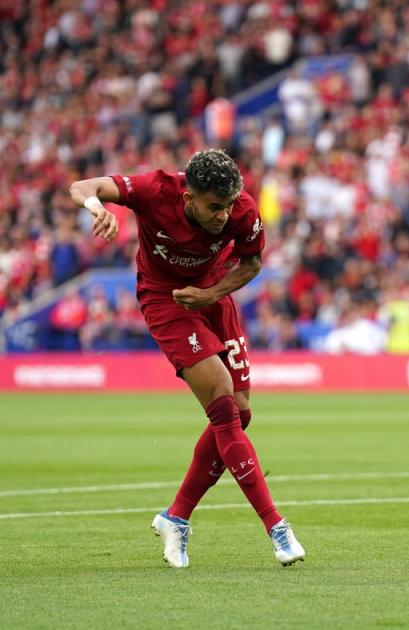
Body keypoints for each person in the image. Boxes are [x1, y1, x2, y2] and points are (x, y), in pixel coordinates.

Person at [68, 149, 304, 569]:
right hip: (167, 299)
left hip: (212, 292)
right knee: (222, 400)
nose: (223, 215)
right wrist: (95, 208)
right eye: (214, 207)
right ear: (187, 196)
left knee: (240, 412)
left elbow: (251, 262)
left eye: (229, 205)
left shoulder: (241, 210)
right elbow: (82, 186)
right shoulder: (152, 190)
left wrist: (212, 294)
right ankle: (276, 526)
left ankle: (175, 517)